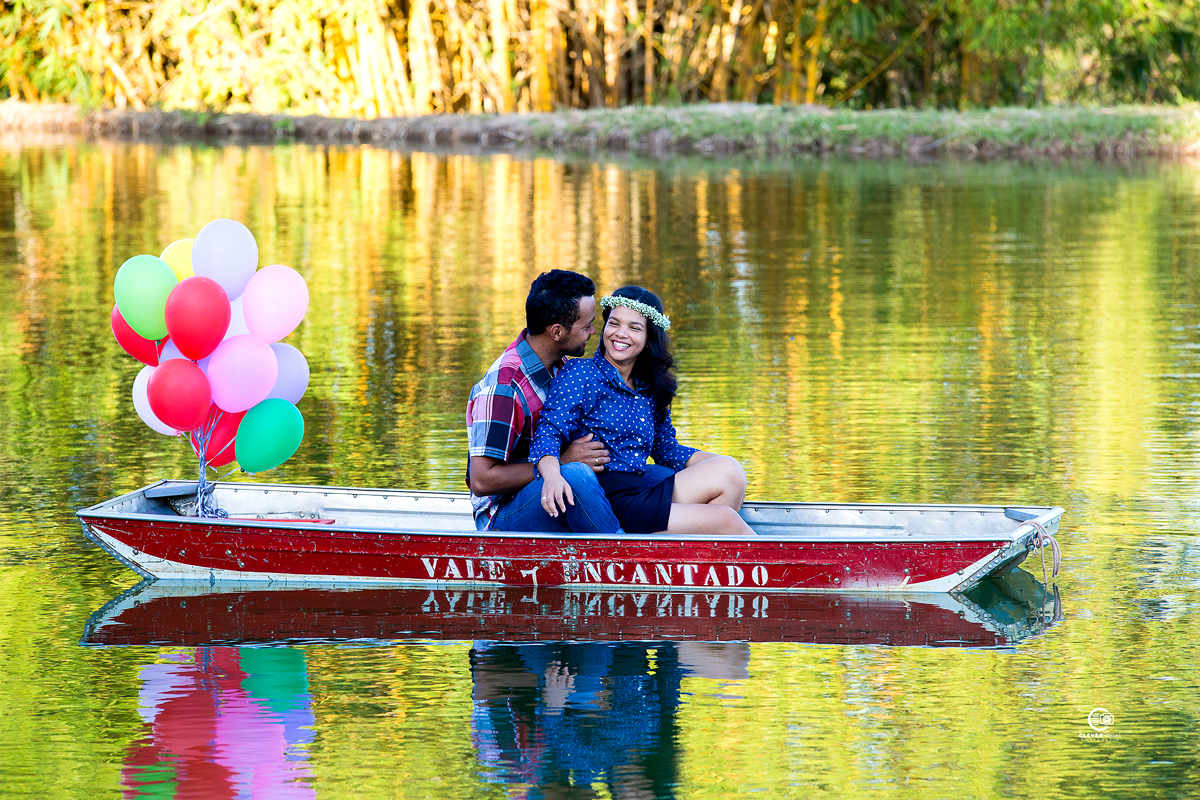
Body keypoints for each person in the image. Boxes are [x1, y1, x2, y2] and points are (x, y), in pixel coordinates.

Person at [530, 285, 755, 536]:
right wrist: (551, 476)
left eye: (634, 328)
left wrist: (721, 462)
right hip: (606, 501)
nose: (620, 334)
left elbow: (666, 449)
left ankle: (678, 557)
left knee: (731, 473)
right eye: (614, 324)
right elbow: (548, 433)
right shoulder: (582, 373)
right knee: (723, 519)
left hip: (641, 493)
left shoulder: (648, 387)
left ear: (649, 340)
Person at [466, 269, 626, 533]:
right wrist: (561, 461)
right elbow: (482, 480)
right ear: (557, 332)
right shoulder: (504, 388)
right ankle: (628, 559)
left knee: (649, 477)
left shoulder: (561, 367)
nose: (594, 331)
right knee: (576, 476)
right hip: (504, 517)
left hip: (552, 490)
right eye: (586, 326)